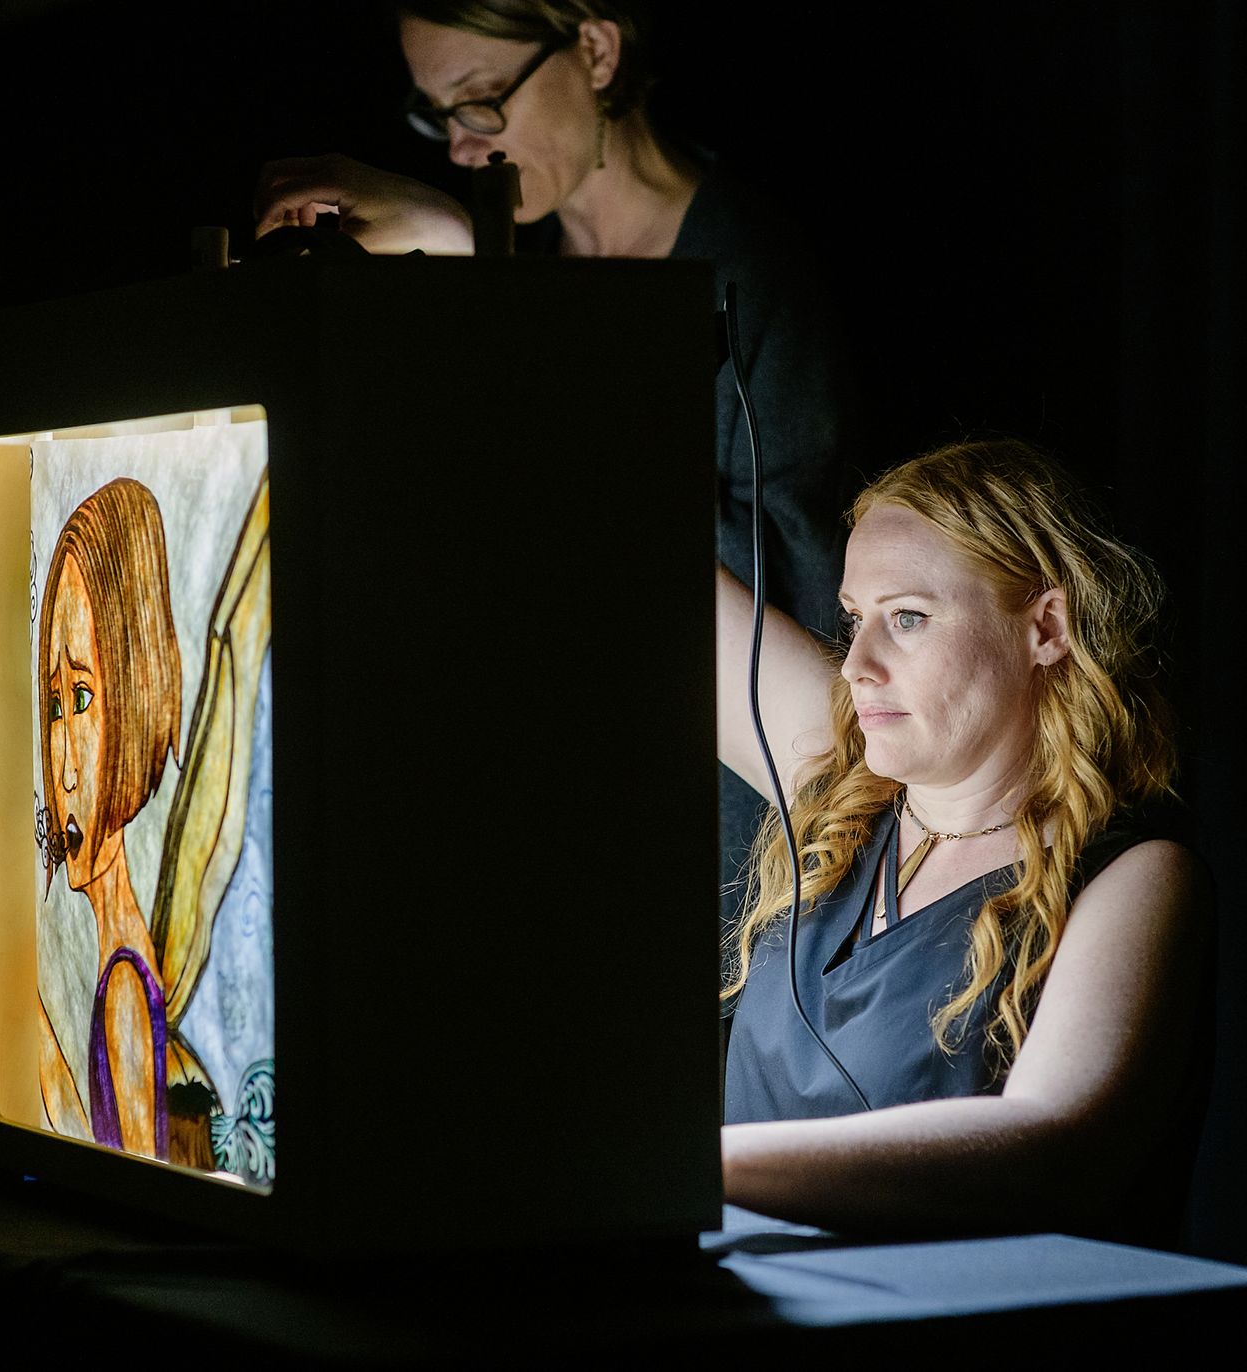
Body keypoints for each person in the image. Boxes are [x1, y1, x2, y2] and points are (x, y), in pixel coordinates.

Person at [254, 0, 854, 938]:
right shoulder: (531, 262)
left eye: (482, 99)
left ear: (597, 49)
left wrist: (459, 249)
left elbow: (797, 636)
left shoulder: (756, 277)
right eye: (439, 115)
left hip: (740, 863)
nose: (463, 145)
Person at [714, 439, 1212, 1244]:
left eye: (907, 618)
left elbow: (1052, 1143)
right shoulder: (845, 791)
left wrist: (698, 1168)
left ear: (1045, 627)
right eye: (855, 619)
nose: (858, 665)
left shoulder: (1136, 879)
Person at [35, 477, 186, 1161]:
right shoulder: (113, 962)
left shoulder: (126, 981)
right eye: (54, 705)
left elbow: (136, 1169)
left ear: (136, 693)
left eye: (84, 697)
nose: (64, 769)